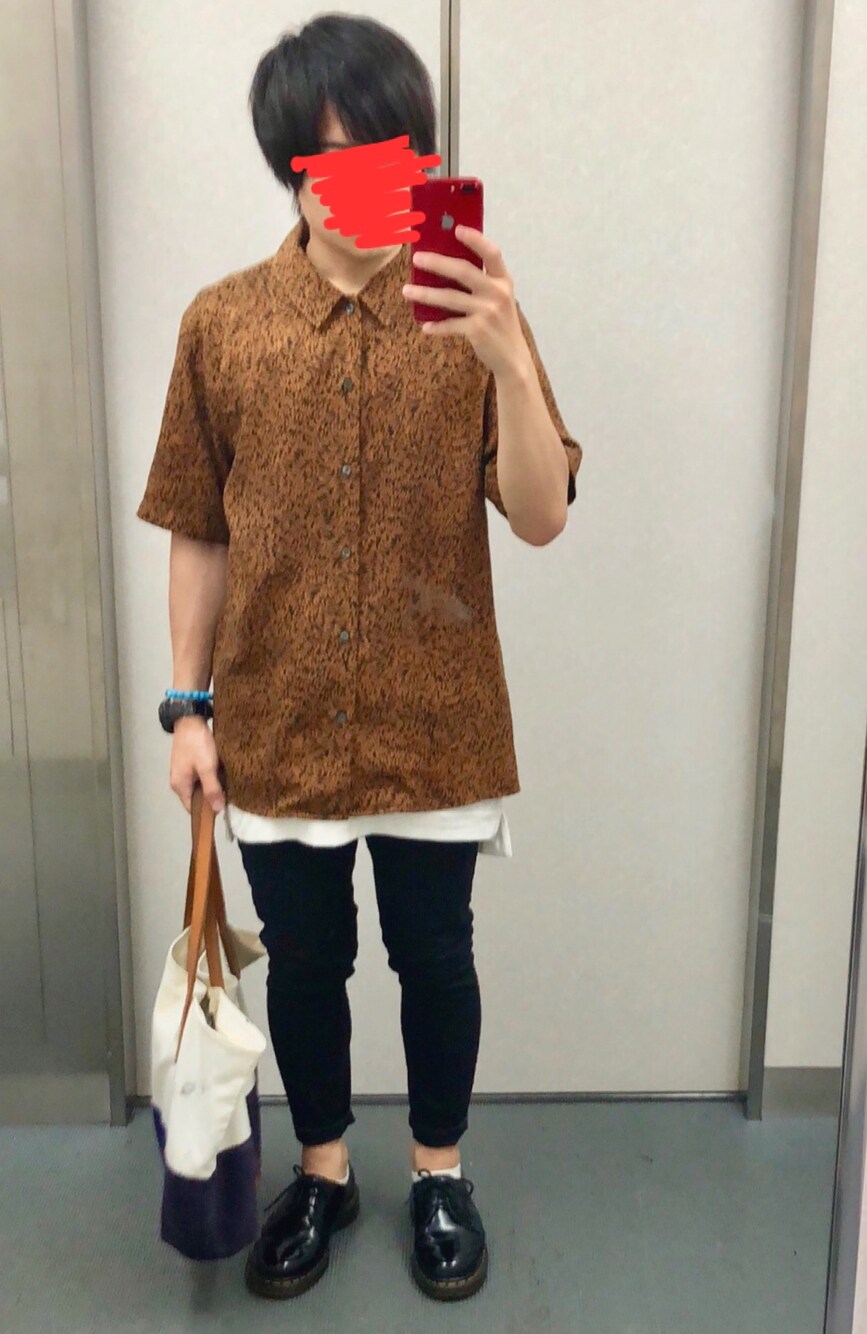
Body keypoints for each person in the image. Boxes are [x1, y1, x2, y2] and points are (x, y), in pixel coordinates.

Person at [137, 12, 581, 1305]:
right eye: (348, 162)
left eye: (403, 156)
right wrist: (187, 708)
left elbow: (543, 516)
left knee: (436, 956)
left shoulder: (474, 309)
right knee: (306, 960)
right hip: (274, 716)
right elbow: (198, 527)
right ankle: (324, 1170)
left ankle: (439, 1171)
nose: (382, 184)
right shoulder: (223, 324)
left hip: (436, 717)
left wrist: (508, 358)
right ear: (293, 170)